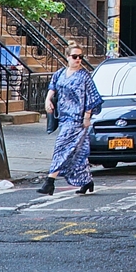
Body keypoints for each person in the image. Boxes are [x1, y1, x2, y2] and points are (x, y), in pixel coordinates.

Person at [40, 48, 103, 196]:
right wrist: (48, 100)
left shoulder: (84, 76)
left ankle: (50, 182)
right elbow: (52, 87)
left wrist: (87, 116)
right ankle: (86, 181)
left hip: (77, 119)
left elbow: (92, 97)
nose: (78, 59)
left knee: (61, 146)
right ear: (67, 57)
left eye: (81, 56)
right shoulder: (60, 73)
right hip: (63, 117)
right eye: (75, 56)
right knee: (78, 151)